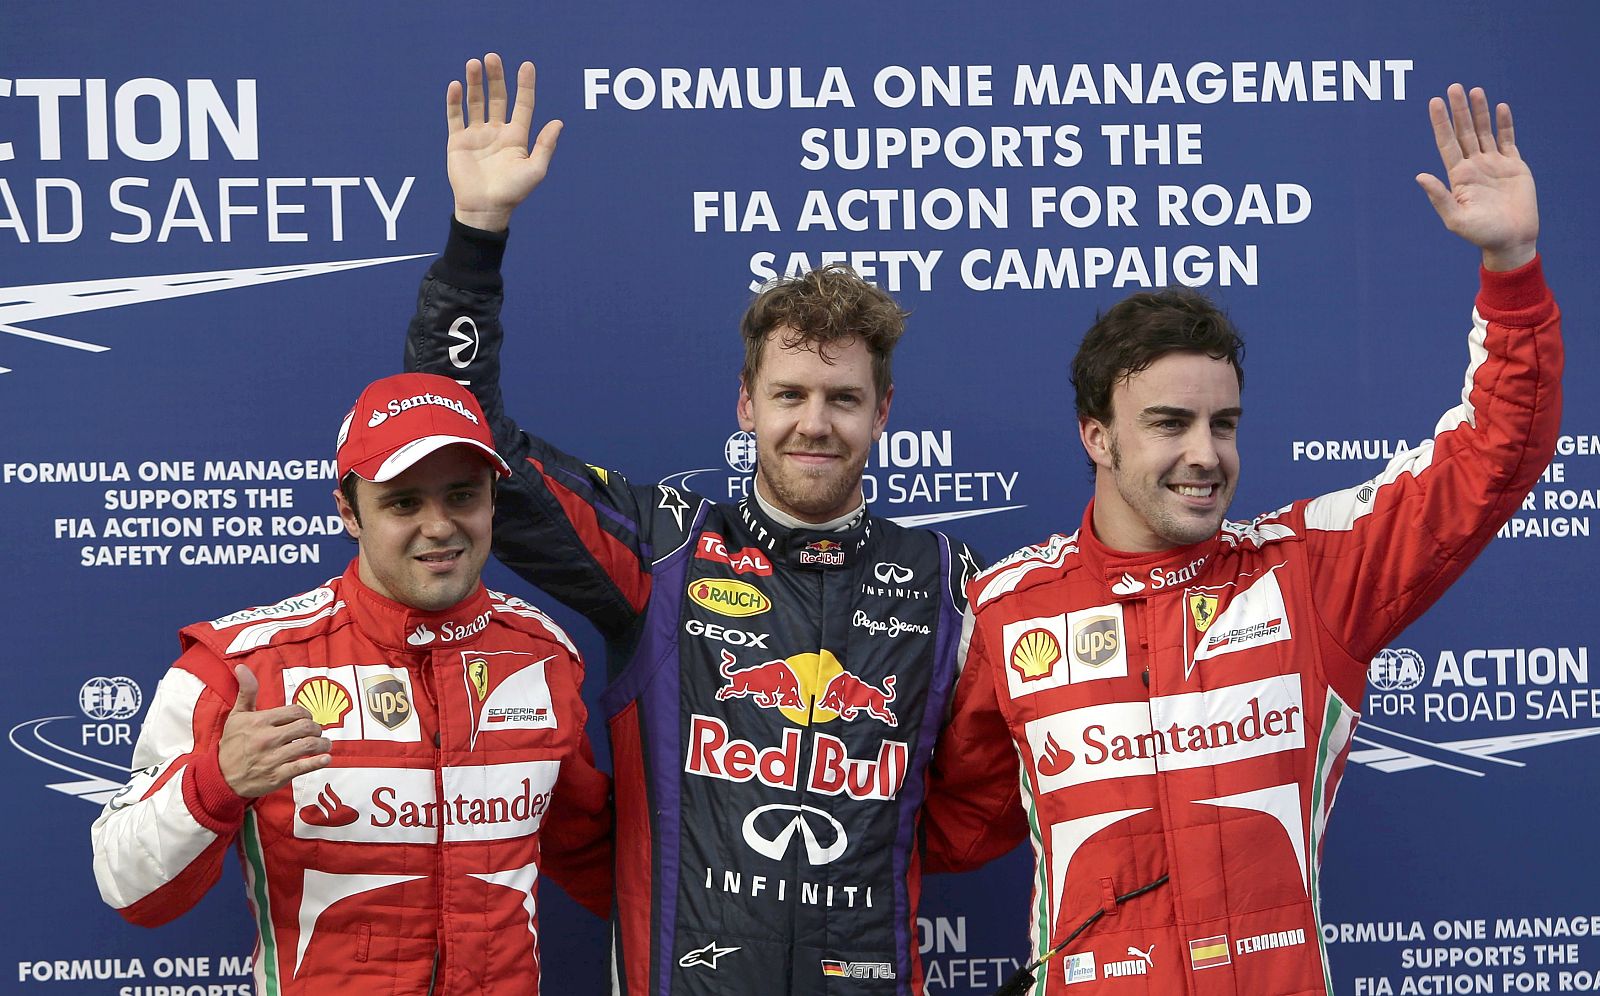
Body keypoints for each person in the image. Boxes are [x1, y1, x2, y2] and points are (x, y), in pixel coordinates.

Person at [403, 54, 1025, 995]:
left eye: (842, 398)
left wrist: (868, 851)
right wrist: (477, 237)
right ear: (746, 404)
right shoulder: (663, 549)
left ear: (883, 411)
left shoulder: (950, 579)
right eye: (788, 394)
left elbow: (982, 804)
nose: (814, 423)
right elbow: (463, 431)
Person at [959, 84, 1561, 994]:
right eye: (1170, 423)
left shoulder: (1309, 575)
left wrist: (1511, 266)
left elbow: (1493, 454)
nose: (1206, 455)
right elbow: (937, 821)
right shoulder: (1007, 612)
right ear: (1097, 435)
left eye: (1225, 424)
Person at [90, 373, 613, 995]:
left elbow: (598, 860)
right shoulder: (239, 667)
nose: (440, 526)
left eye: (462, 496)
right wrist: (216, 784)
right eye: (403, 503)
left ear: (493, 500)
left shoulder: (541, 654)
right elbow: (128, 886)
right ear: (349, 512)